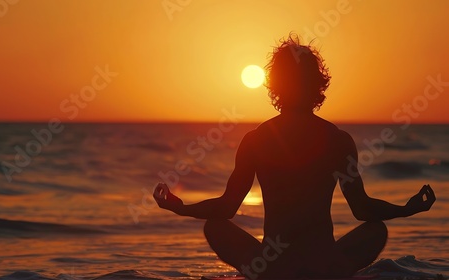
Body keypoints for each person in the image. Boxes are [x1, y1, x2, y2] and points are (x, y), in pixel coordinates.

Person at [153, 34, 436, 279]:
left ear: (276, 85)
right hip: (325, 263)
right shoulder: (338, 140)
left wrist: (180, 207)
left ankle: (281, 270)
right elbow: (362, 210)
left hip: (273, 266)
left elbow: (226, 208)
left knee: (215, 227)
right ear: (317, 84)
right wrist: (406, 209)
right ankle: (326, 268)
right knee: (376, 230)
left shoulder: (256, 139)